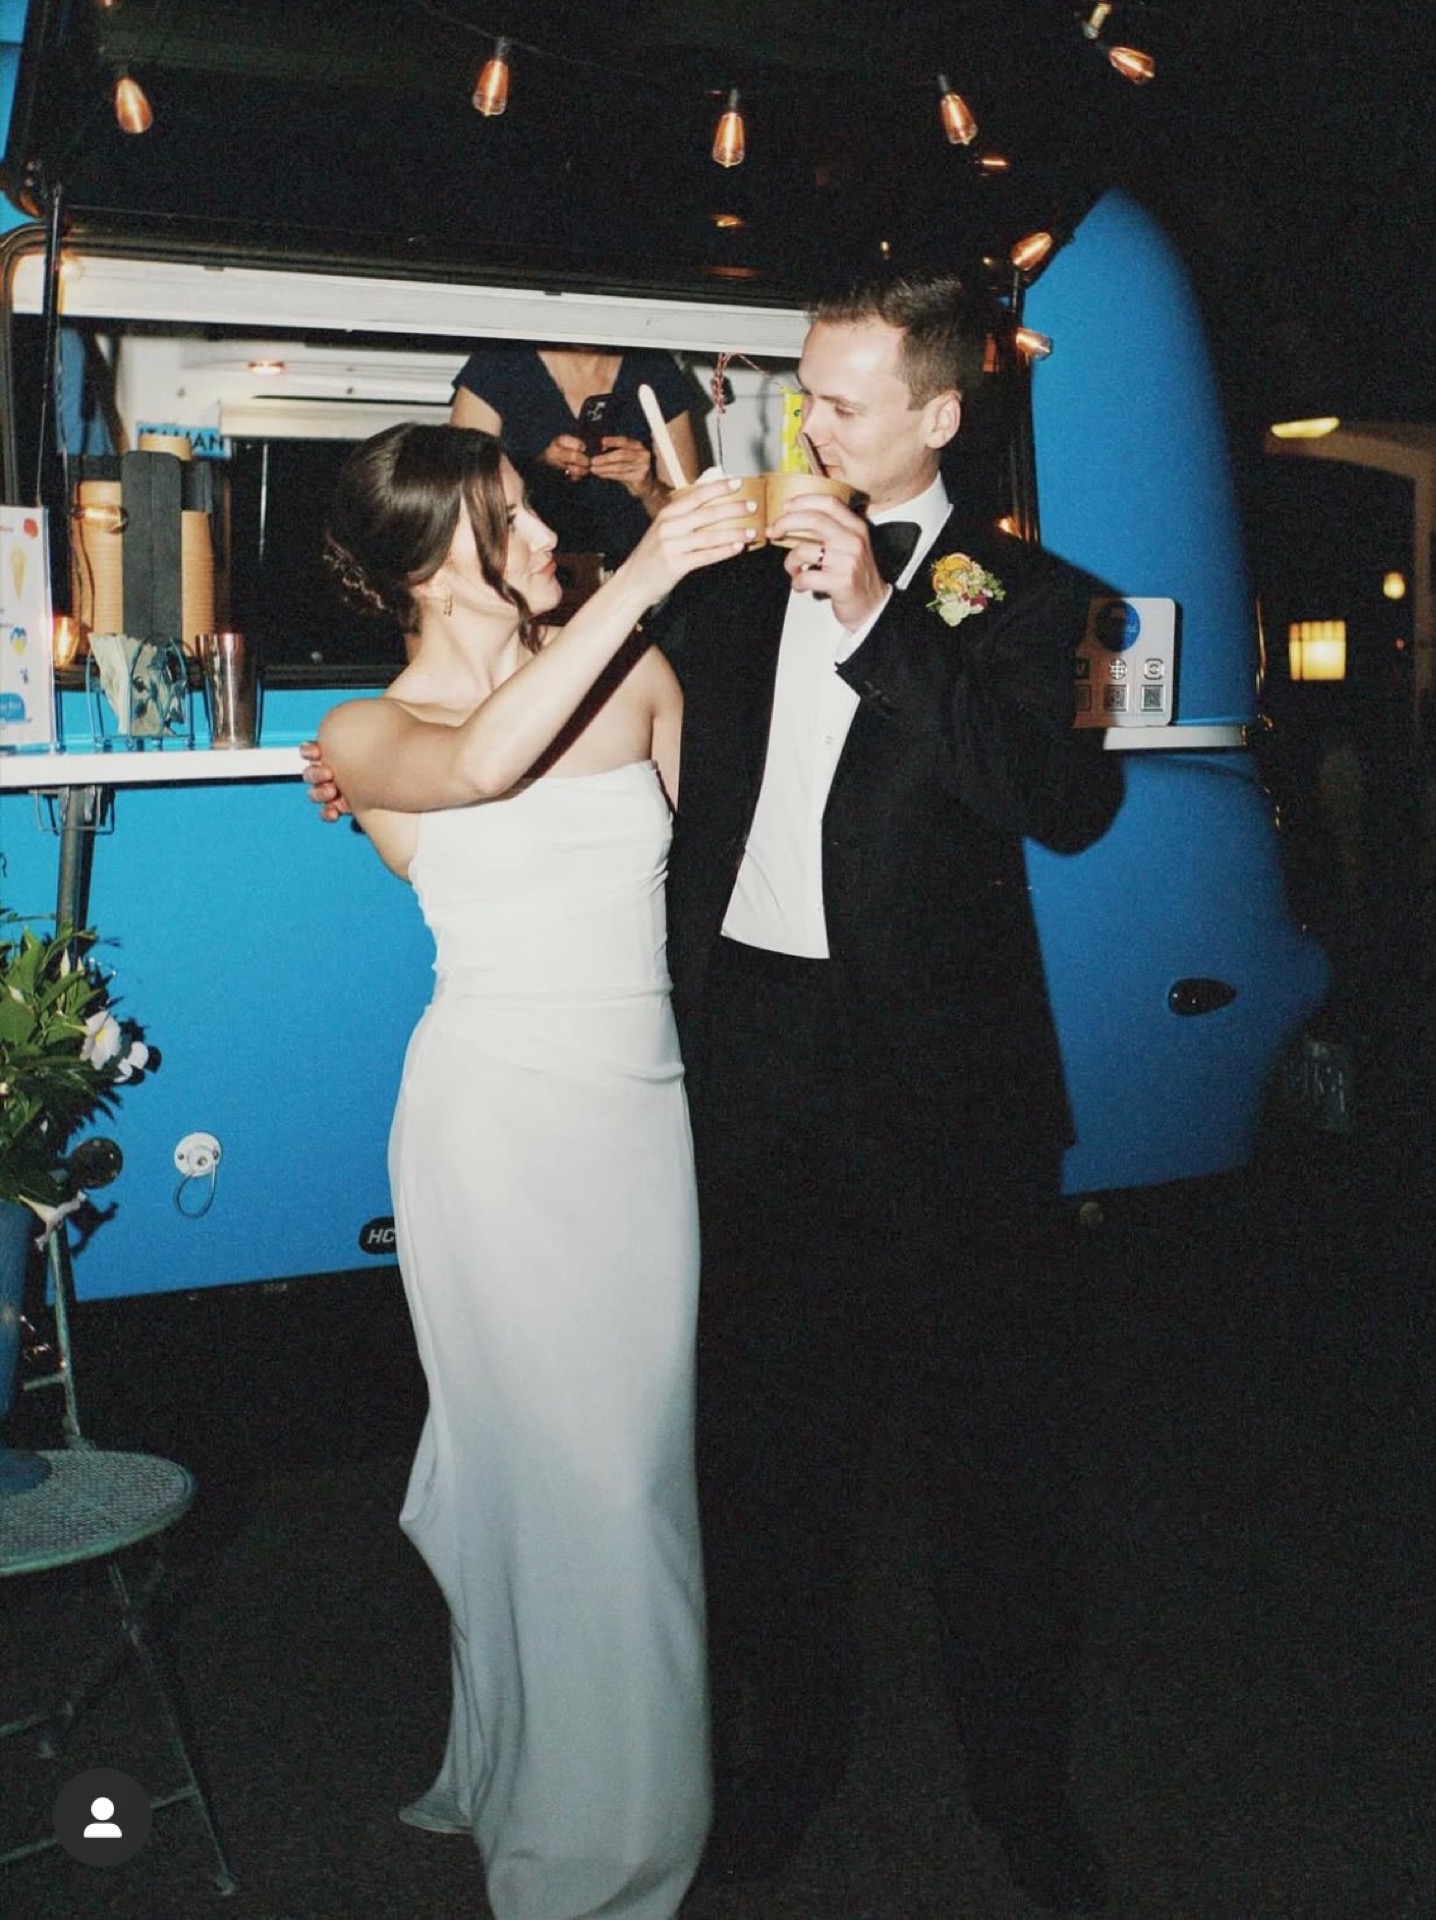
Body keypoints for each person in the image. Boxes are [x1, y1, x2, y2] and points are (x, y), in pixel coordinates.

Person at [652, 272, 1120, 1916]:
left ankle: (1018, 1791)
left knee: (991, 1466)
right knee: (769, 1455)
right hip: (756, 1058)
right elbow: (608, 728)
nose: (806, 427)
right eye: (799, 391)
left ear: (938, 413)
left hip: (944, 1093)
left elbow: (1058, 806)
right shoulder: (727, 584)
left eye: (840, 402)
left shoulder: (1025, 594)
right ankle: (789, 1755)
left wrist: (873, 618)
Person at [311, 422, 746, 1920]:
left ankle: (544, 1773)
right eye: (508, 516)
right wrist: (646, 578)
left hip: (639, 1118)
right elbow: (484, 765)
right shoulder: (360, 735)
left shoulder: (634, 677)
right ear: (429, 561)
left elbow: (720, 887)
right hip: (492, 1125)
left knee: (628, 1477)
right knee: (580, 1488)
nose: (547, 529)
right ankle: (594, 1864)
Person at [450, 343, 701, 571]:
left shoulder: (653, 368)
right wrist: (537, 470)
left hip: (635, 575)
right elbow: (459, 505)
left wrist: (649, 488)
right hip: (527, 575)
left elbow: (695, 524)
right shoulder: (500, 362)